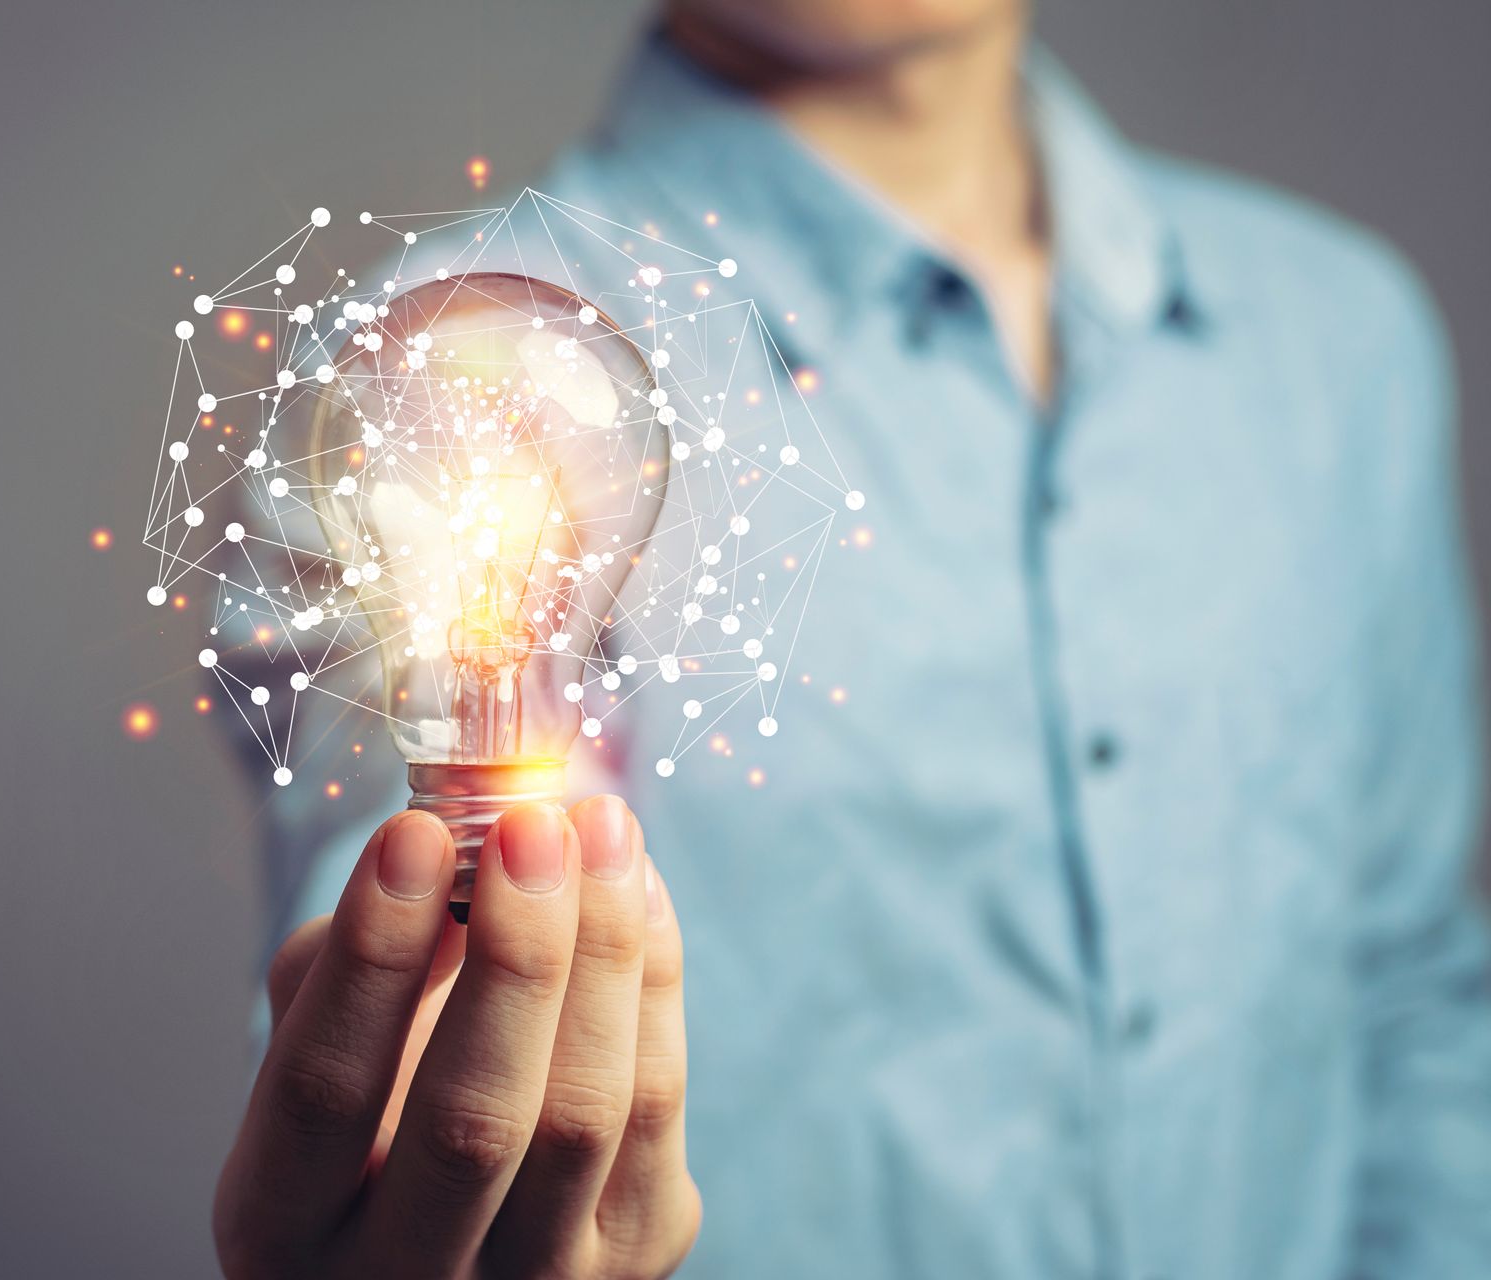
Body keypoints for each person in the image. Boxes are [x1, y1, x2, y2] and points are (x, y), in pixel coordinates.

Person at [213, 1, 1491, 1275]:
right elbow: (397, 923)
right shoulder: (452, 361)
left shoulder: (1336, 341)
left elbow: (1413, 992)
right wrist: (427, 1098)